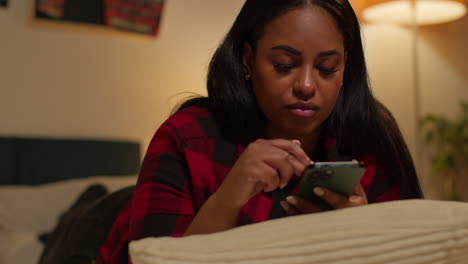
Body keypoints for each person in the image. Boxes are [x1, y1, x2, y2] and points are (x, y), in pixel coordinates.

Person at [95, 0, 423, 263]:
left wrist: (365, 233)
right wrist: (228, 199)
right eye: (283, 65)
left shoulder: (372, 133)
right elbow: (154, 256)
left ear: (345, 67)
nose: (307, 85)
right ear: (248, 60)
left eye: (327, 68)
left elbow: (419, 249)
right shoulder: (188, 136)